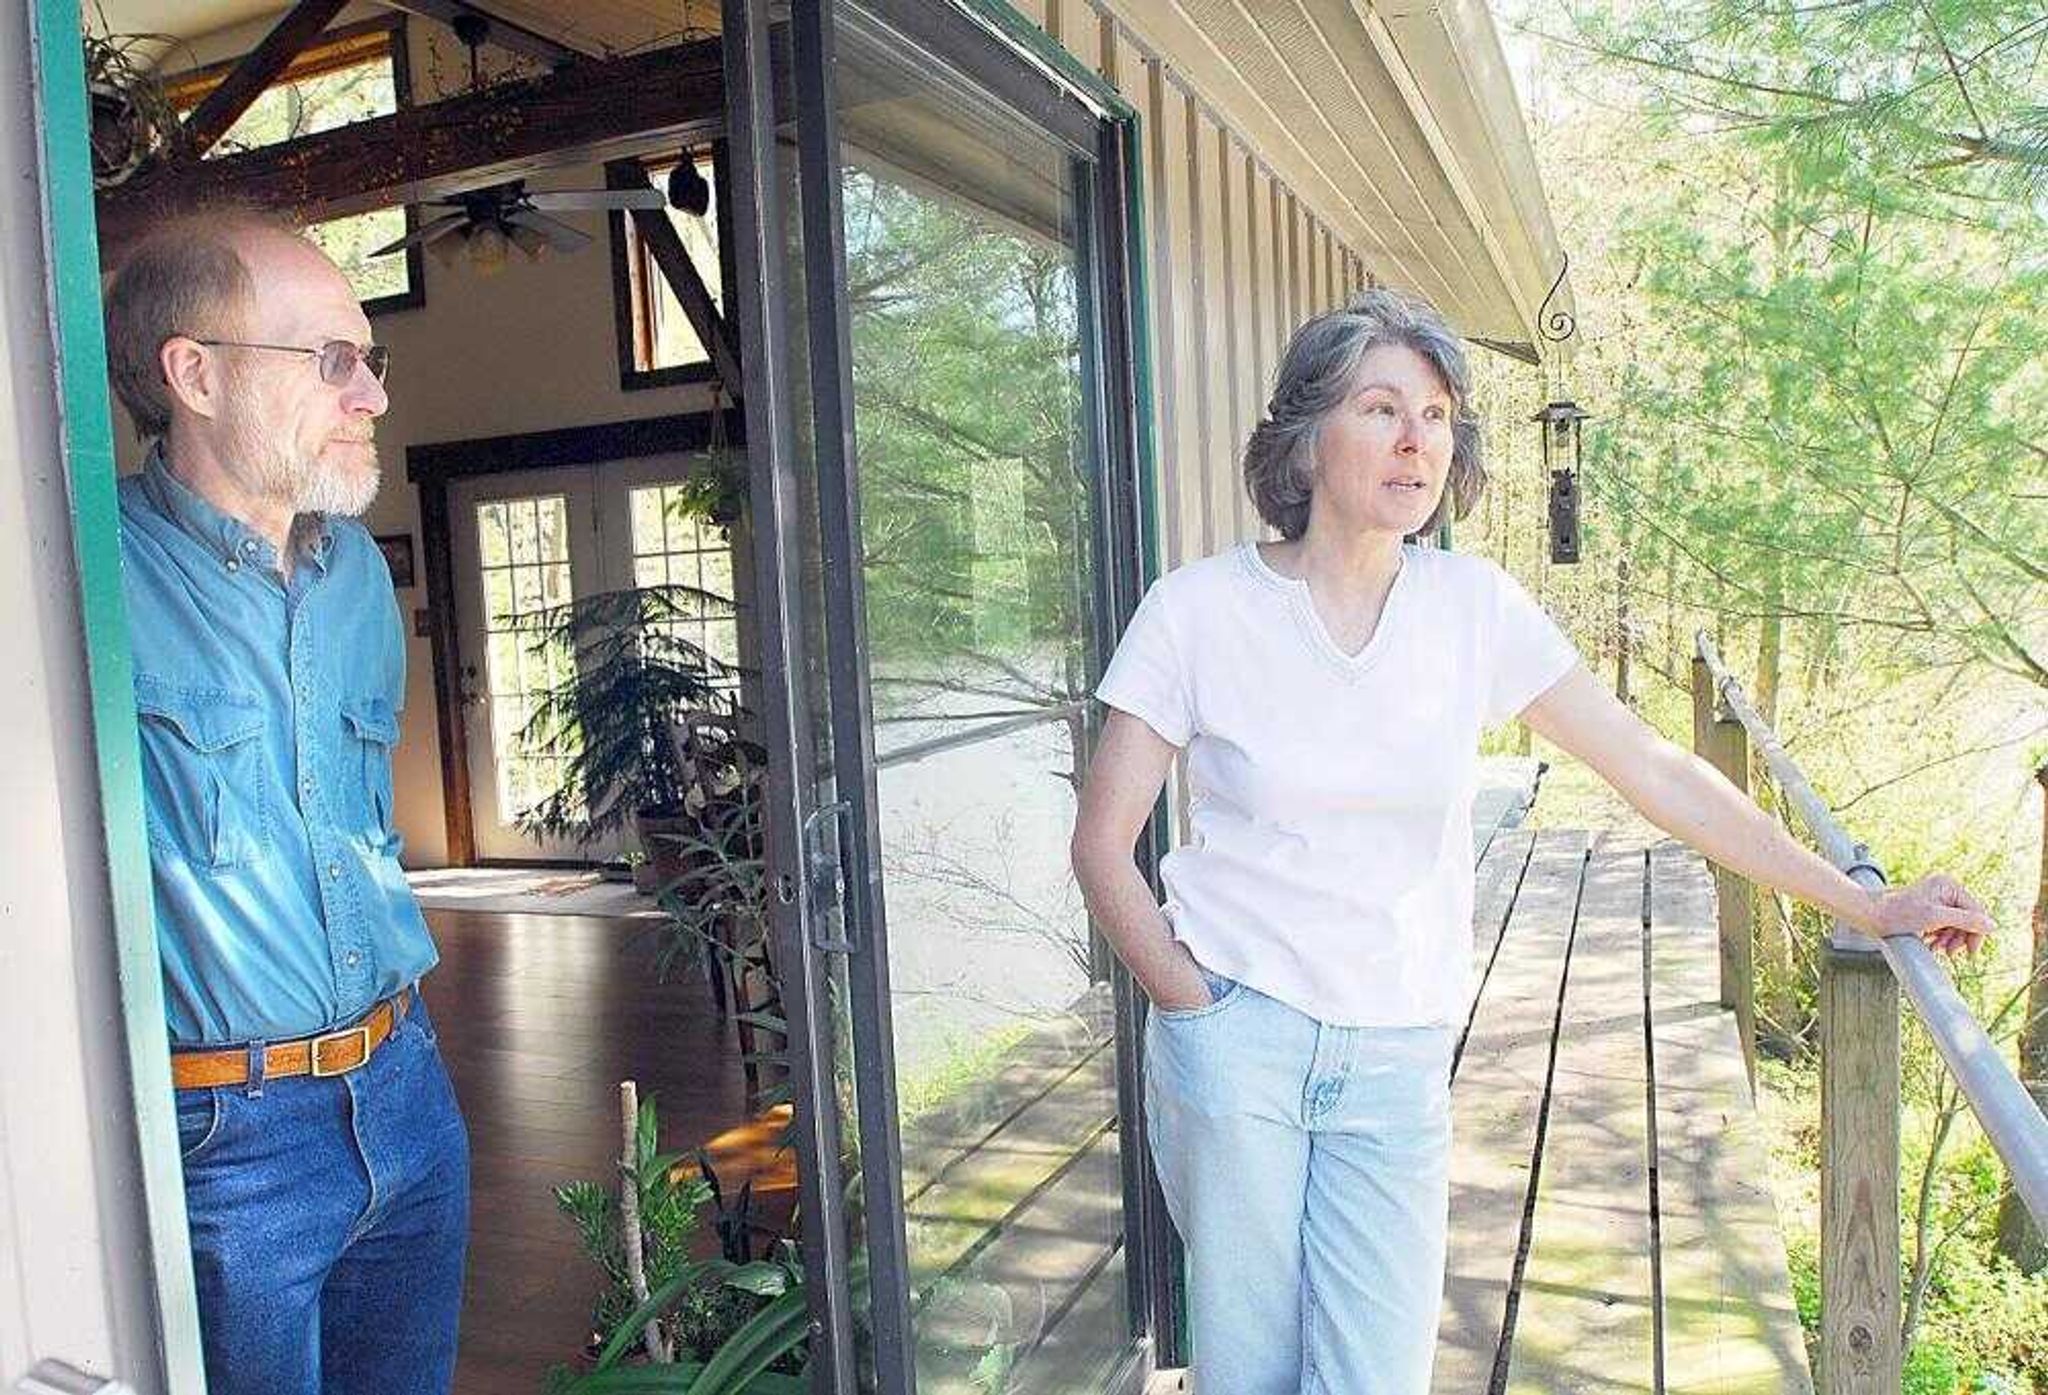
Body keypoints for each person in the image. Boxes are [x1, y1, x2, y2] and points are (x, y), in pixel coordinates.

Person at [1069, 287, 1993, 1395]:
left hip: (1394, 1052)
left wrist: (1862, 902)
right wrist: (1191, 1005)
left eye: (1437, 415)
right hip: (1235, 1035)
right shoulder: (1195, 611)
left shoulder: (1472, 608)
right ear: (1304, 439)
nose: (1416, 440)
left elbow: (1655, 770)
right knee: (1247, 1374)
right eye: (1379, 409)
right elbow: (1099, 845)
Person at [105, 207, 468, 1395]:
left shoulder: (355, 570)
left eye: (370, 360)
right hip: (225, 1144)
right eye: (330, 358)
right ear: (193, 374)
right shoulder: (80, 572)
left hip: (405, 1089)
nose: (368, 392)